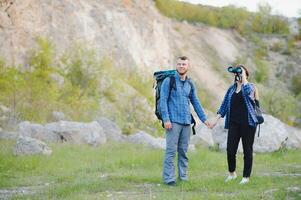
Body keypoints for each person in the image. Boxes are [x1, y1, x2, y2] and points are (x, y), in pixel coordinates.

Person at [160, 56, 211, 186]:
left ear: (188, 67)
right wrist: (166, 119)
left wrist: (204, 119)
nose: (181, 66)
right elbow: (163, 101)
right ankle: (169, 179)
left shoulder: (190, 83)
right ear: (176, 66)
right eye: (179, 64)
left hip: (187, 123)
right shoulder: (168, 81)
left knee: (183, 151)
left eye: (184, 64)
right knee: (171, 151)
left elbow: (196, 102)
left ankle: (183, 177)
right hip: (173, 122)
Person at [210, 65, 258, 184]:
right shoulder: (231, 89)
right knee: (230, 150)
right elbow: (224, 105)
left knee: (247, 150)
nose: (239, 75)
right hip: (233, 124)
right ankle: (232, 174)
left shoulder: (251, 87)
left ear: (246, 74)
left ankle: (246, 177)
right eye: (238, 73)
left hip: (248, 123)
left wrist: (244, 79)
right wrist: (216, 119)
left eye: (241, 73)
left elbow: (247, 92)